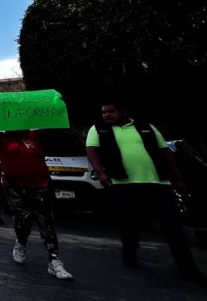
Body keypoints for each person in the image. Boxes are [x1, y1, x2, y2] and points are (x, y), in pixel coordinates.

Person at [85, 101, 206, 285]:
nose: (107, 115)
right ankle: (129, 251)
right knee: (128, 221)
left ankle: (186, 267)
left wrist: (177, 177)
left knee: (173, 225)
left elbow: (165, 151)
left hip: (158, 181)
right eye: (104, 112)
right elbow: (91, 150)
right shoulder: (98, 129)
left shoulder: (146, 128)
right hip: (123, 182)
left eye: (111, 111)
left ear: (124, 112)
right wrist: (101, 173)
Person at [0, 107, 73, 280]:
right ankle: (21, 242)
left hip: (41, 184)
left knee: (46, 222)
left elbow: (56, 126)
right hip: (15, 186)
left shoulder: (35, 135)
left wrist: (55, 107)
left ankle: (54, 261)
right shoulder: (2, 138)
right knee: (23, 220)